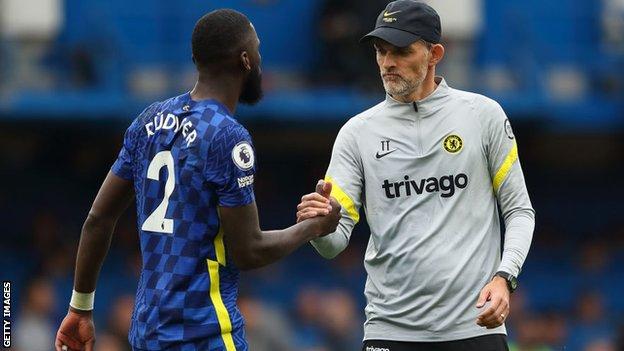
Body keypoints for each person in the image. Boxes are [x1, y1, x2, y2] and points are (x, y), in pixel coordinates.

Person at [54, 9, 341, 351]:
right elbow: (249, 251)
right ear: (246, 60)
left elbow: (97, 219)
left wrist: (80, 309)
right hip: (205, 334)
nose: (261, 61)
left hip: (148, 335)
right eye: (259, 51)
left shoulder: (149, 120)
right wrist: (315, 226)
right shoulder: (227, 136)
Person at [296, 1, 535, 350]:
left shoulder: (483, 115)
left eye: (402, 52)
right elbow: (333, 245)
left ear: (435, 53)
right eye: (381, 51)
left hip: (473, 329)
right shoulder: (356, 133)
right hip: (390, 332)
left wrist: (504, 278)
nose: (388, 63)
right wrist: (319, 225)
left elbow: (519, 211)